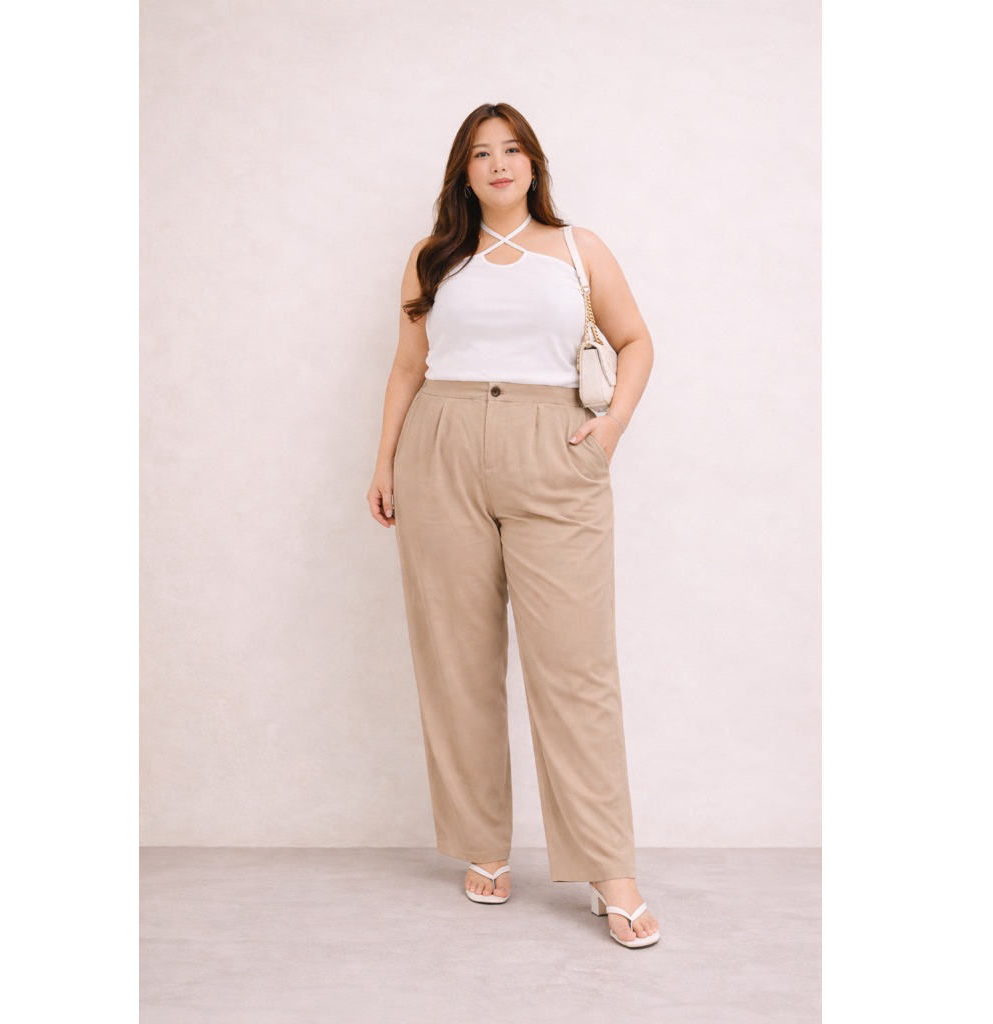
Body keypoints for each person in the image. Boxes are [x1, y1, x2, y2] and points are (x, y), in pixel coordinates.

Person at [367, 102, 659, 948]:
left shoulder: (577, 248)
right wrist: (384, 462)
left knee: (575, 666)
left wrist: (610, 428)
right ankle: (482, 845)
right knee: (456, 658)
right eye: (481, 153)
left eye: (513, 149)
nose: (499, 164)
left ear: (534, 163)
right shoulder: (434, 257)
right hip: (441, 445)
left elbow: (635, 341)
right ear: (463, 172)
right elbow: (408, 365)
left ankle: (609, 869)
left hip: (553, 448)